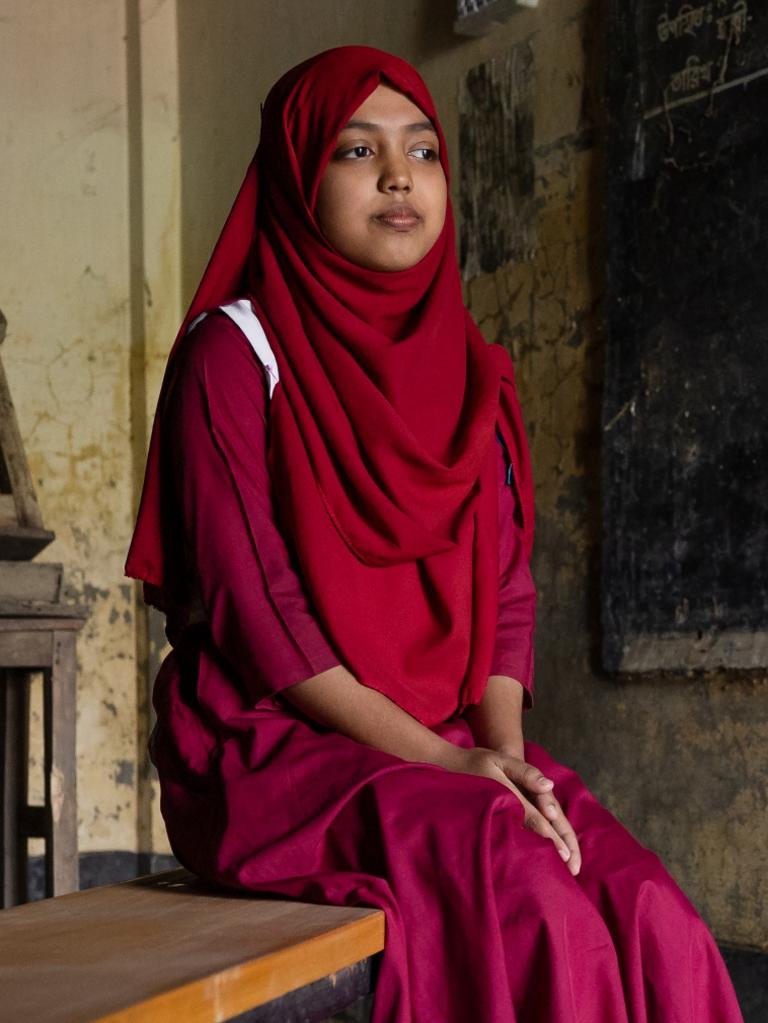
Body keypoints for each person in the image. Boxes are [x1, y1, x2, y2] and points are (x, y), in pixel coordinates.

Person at [125, 45, 743, 1023]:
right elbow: (262, 616)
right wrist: (452, 768)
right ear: (295, 177)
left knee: (653, 912)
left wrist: (506, 760)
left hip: (453, 746)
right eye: (356, 150)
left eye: (423, 151)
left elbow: (504, 593)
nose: (399, 175)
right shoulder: (234, 357)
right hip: (272, 750)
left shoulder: (479, 378)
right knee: (539, 910)